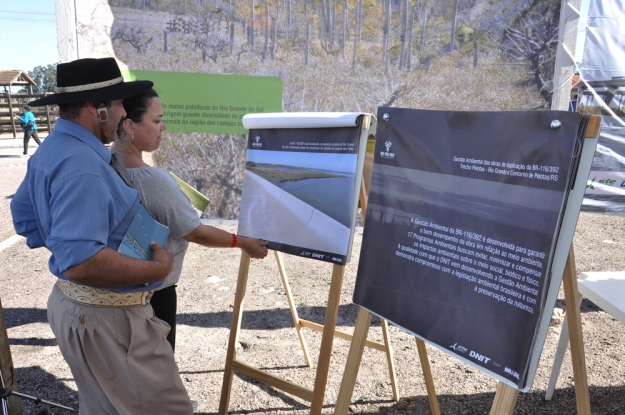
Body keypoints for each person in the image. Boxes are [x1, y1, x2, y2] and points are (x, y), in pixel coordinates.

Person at [10, 58, 194, 414]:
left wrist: (67, 239)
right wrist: (156, 270)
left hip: (76, 306)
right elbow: (81, 263)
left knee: (104, 406)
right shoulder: (84, 166)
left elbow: (25, 216)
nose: (125, 112)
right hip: (107, 318)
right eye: (118, 104)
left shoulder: (54, 146)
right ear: (96, 108)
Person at [111, 88, 269, 351]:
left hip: (114, 291)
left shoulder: (102, 163)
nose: (163, 126)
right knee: (156, 373)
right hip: (151, 297)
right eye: (156, 120)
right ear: (129, 125)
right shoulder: (152, 180)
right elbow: (195, 232)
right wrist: (243, 242)